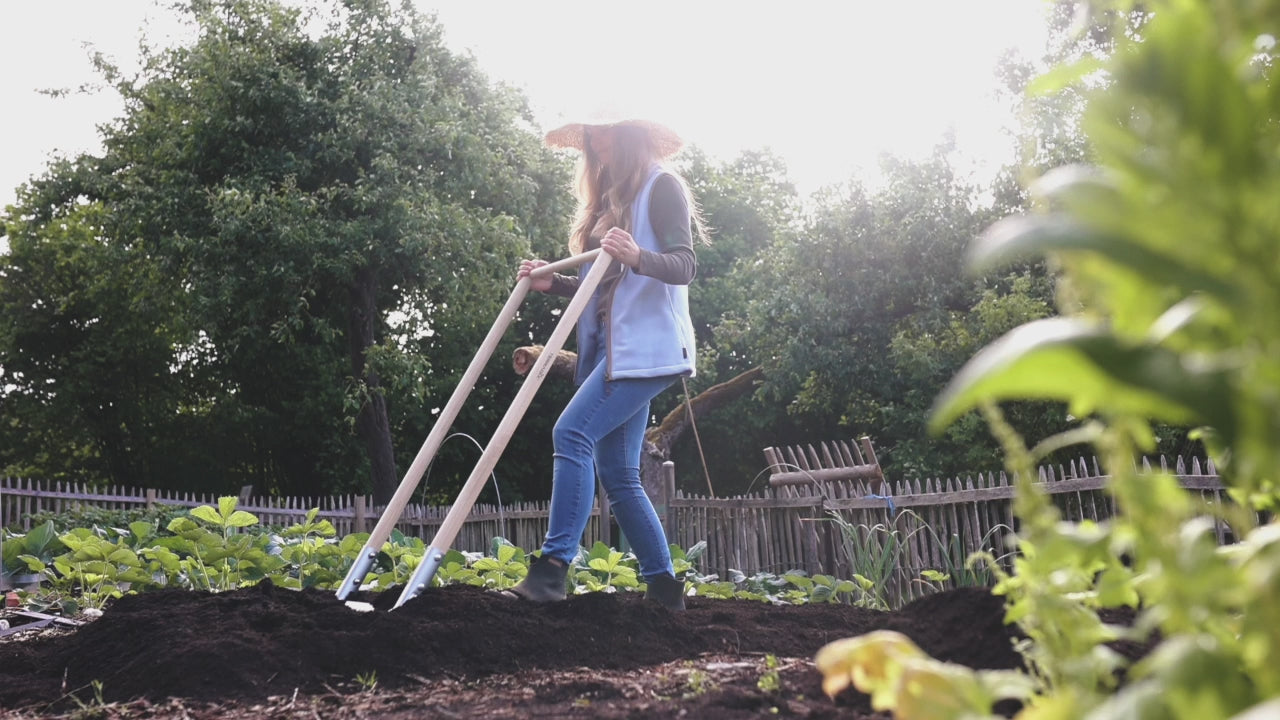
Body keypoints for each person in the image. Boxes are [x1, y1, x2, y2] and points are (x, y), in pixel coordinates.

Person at [507, 117, 709, 611]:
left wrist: (639, 255)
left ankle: (553, 570)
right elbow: (603, 290)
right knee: (619, 473)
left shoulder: (662, 187)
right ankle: (664, 589)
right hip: (619, 351)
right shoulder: (608, 200)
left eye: (607, 132)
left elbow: (684, 265)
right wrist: (551, 283)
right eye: (591, 136)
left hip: (651, 347)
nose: (597, 144)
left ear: (632, 134)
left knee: (571, 433)